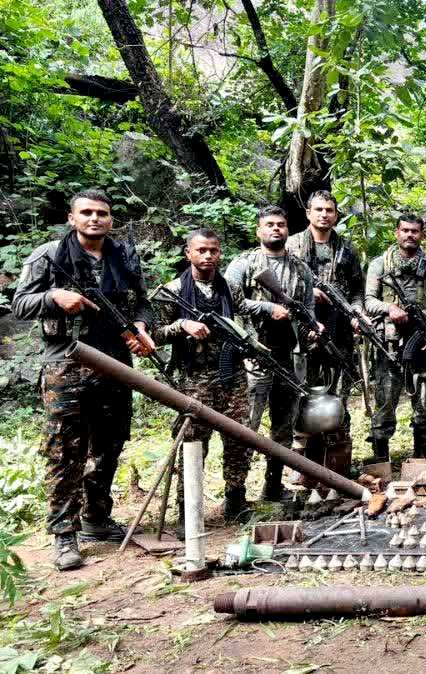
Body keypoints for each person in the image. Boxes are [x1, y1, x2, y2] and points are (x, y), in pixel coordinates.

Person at [12, 189, 156, 570]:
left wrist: (141, 327)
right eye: (87, 212)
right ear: (72, 218)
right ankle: (64, 534)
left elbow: (142, 302)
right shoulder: (49, 255)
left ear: (111, 220)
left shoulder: (124, 257)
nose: (95, 219)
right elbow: (19, 303)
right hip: (66, 364)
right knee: (65, 450)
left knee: (110, 444)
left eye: (102, 213)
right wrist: (54, 297)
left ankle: (96, 517)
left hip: (115, 363)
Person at [151, 229, 253, 522]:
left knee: (239, 438)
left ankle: (236, 499)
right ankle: (189, 509)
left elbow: (243, 320)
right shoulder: (172, 291)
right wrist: (182, 325)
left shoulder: (230, 288)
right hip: (193, 378)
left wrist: (248, 346)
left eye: (213, 250)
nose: (208, 256)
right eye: (201, 250)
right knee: (192, 442)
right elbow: (154, 335)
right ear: (188, 253)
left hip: (232, 374)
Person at [225, 206, 316, 501]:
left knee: (284, 424)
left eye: (281, 224)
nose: (276, 229)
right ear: (258, 230)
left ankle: (273, 486)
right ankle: (235, 494)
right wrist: (267, 308)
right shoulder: (243, 264)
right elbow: (230, 301)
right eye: (269, 224)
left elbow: (307, 308)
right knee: (247, 424)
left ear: (287, 230)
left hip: (288, 354)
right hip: (253, 354)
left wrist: (312, 328)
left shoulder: (300, 269)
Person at [285, 191, 364, 478]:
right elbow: (280, 288)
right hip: (300, 334)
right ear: (308, 213)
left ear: (336, 215)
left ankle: (338, 462)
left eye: (329, 210)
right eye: (318, 209)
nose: (324, 215)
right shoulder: (292, 246)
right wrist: (308, 293)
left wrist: (356, 314)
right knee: (302, 396)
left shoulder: (347, 249)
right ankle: (302, 466)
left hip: (338, 334)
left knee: (338, 396)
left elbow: (357, 291)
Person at [364, 214, 426, 459]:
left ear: (422, 235)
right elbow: (369, 300)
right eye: (405, 230)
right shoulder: (380, 264)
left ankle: (421, 456)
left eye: (415, 231)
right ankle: (381, 457)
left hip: (423, 340)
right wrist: (389, 308)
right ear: (397, 233)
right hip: (389, 342)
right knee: (386, 397)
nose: (410, 235)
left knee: (424, 399)